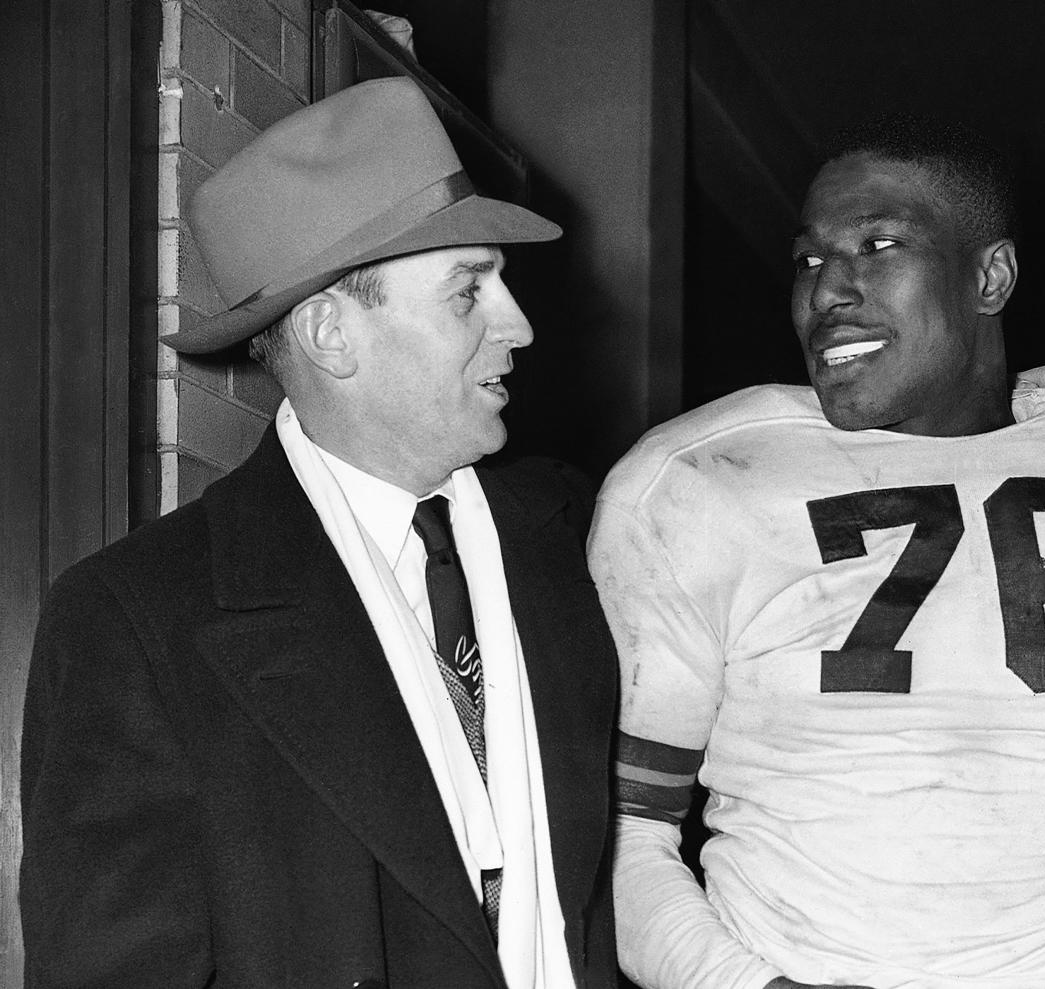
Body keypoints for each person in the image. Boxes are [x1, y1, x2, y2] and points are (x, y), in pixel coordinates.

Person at [589, 115, 1045, 989]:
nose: (828, 291)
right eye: (809, 259)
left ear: (990, 275)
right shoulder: (691, 482)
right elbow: (617, 840)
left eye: (877, 244)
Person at [20, 77, 618, 989]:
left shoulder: (571, 532)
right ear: (333, 332)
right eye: (470, 291)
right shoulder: (136, 621)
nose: (521, 325)